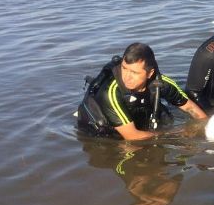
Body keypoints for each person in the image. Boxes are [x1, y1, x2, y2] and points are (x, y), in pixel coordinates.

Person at [77, 42, 206, 140]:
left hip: (135, 111)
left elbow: (191, 108)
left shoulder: (161, 83)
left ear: (150, 73)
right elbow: (132, 137)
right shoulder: (111, 92)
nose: (126, 77)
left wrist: (205, 129)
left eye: (134, 72)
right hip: (101, 129)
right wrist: (179, 132)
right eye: (124, 68)